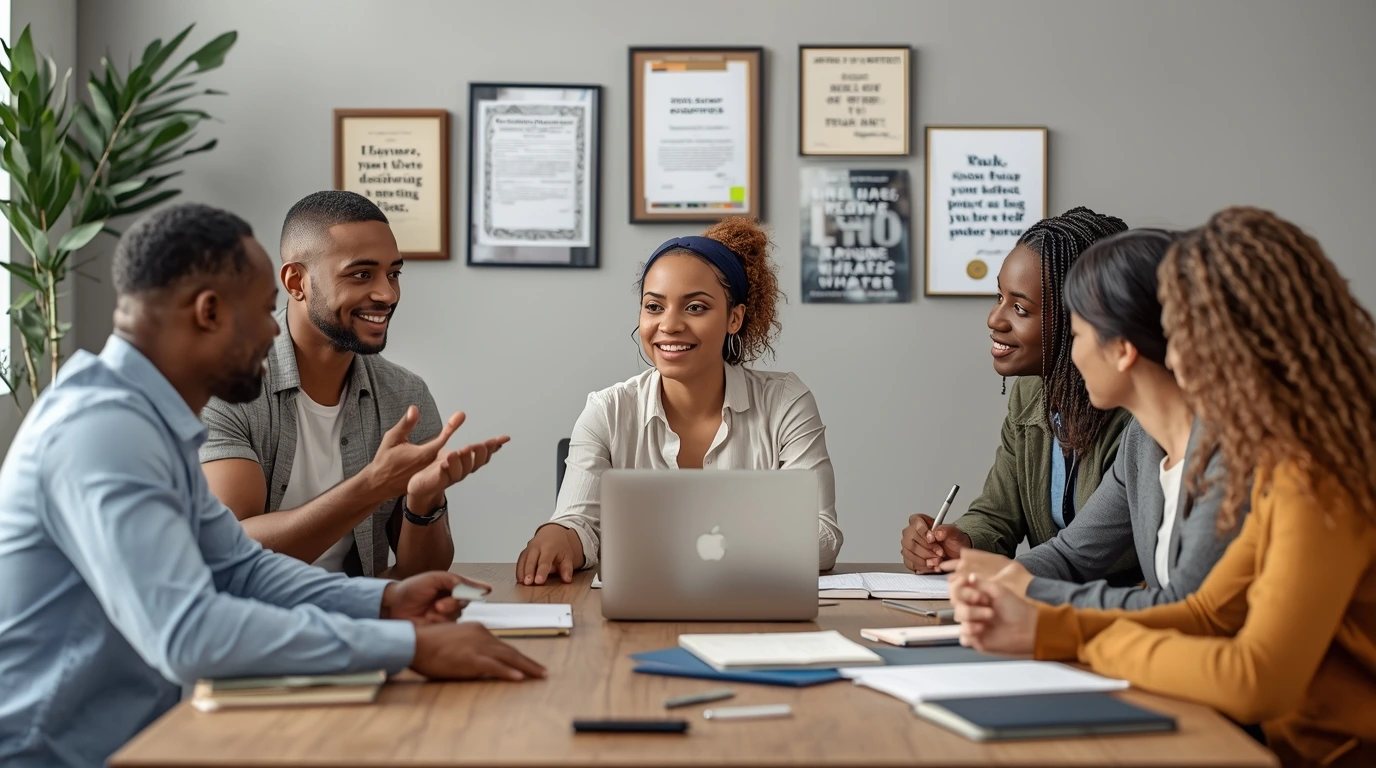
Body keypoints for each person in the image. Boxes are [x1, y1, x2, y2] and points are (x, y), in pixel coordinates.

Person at [0, 204, 544, 768]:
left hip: (136, 740)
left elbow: (239, 567)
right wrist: (409, 645)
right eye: (262, 311)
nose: (272, 331)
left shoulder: (146, 423)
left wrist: (384, 599)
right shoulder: (103, 432)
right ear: (209, 312)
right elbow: (191, 634)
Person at [952, 207, 1376, 768]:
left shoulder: (1319, 478)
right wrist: (1048, 625)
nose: (1170, 353)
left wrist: (1076, 638)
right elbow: (1205, 612)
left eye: (1182, 331)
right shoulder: (1282, 463)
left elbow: (1254, 679)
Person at [515, 217, 843, 584]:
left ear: (734, 318)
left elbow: (823, 537)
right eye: (654, 307)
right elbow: (578, 524)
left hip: (753, 617)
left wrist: (707, 548)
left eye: (696, 307)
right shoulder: (606, 411)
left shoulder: (785, 404)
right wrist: (559, 537)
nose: (669, 325)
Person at [200, 191, 507, 579]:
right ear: (297, 281)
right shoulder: (224, 387)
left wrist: (423, 501)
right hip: (249, 625)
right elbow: (230, 552)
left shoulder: (405, 396)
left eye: (393, 273)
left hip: (358, 620)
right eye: (362, 274)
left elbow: (422, 572)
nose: (387, 294)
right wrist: (373, 485)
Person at [942, 229, 1246, 608]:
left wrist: (1034, 609)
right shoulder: (1144, 442)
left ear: (1122, 349)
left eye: (1079, 335)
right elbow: (1072, 556)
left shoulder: (1228, 454)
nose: (1074, 355)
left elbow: (1189, 610)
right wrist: (988, 580)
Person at [901, 207, 1134, 578]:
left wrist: (1001, 577)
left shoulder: (1137, 416)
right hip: (1046, 609)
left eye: (1020, 308)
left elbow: (1094, 553)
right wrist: (962, 541)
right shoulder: (1031, 395)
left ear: (1080, 316)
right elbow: (998, 512)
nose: (995, 319)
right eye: (999, 297)